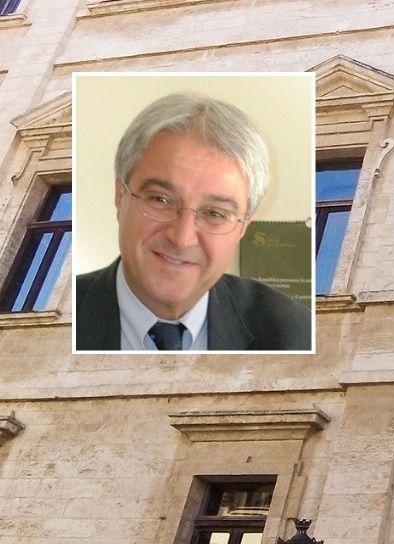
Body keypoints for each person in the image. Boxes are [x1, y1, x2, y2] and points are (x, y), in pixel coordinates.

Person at [76, 92, 310, 351]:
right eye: (161, 200)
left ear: (243, 227)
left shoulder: (296, 335)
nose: (182, 238)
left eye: (215, 213)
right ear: (120, 196)